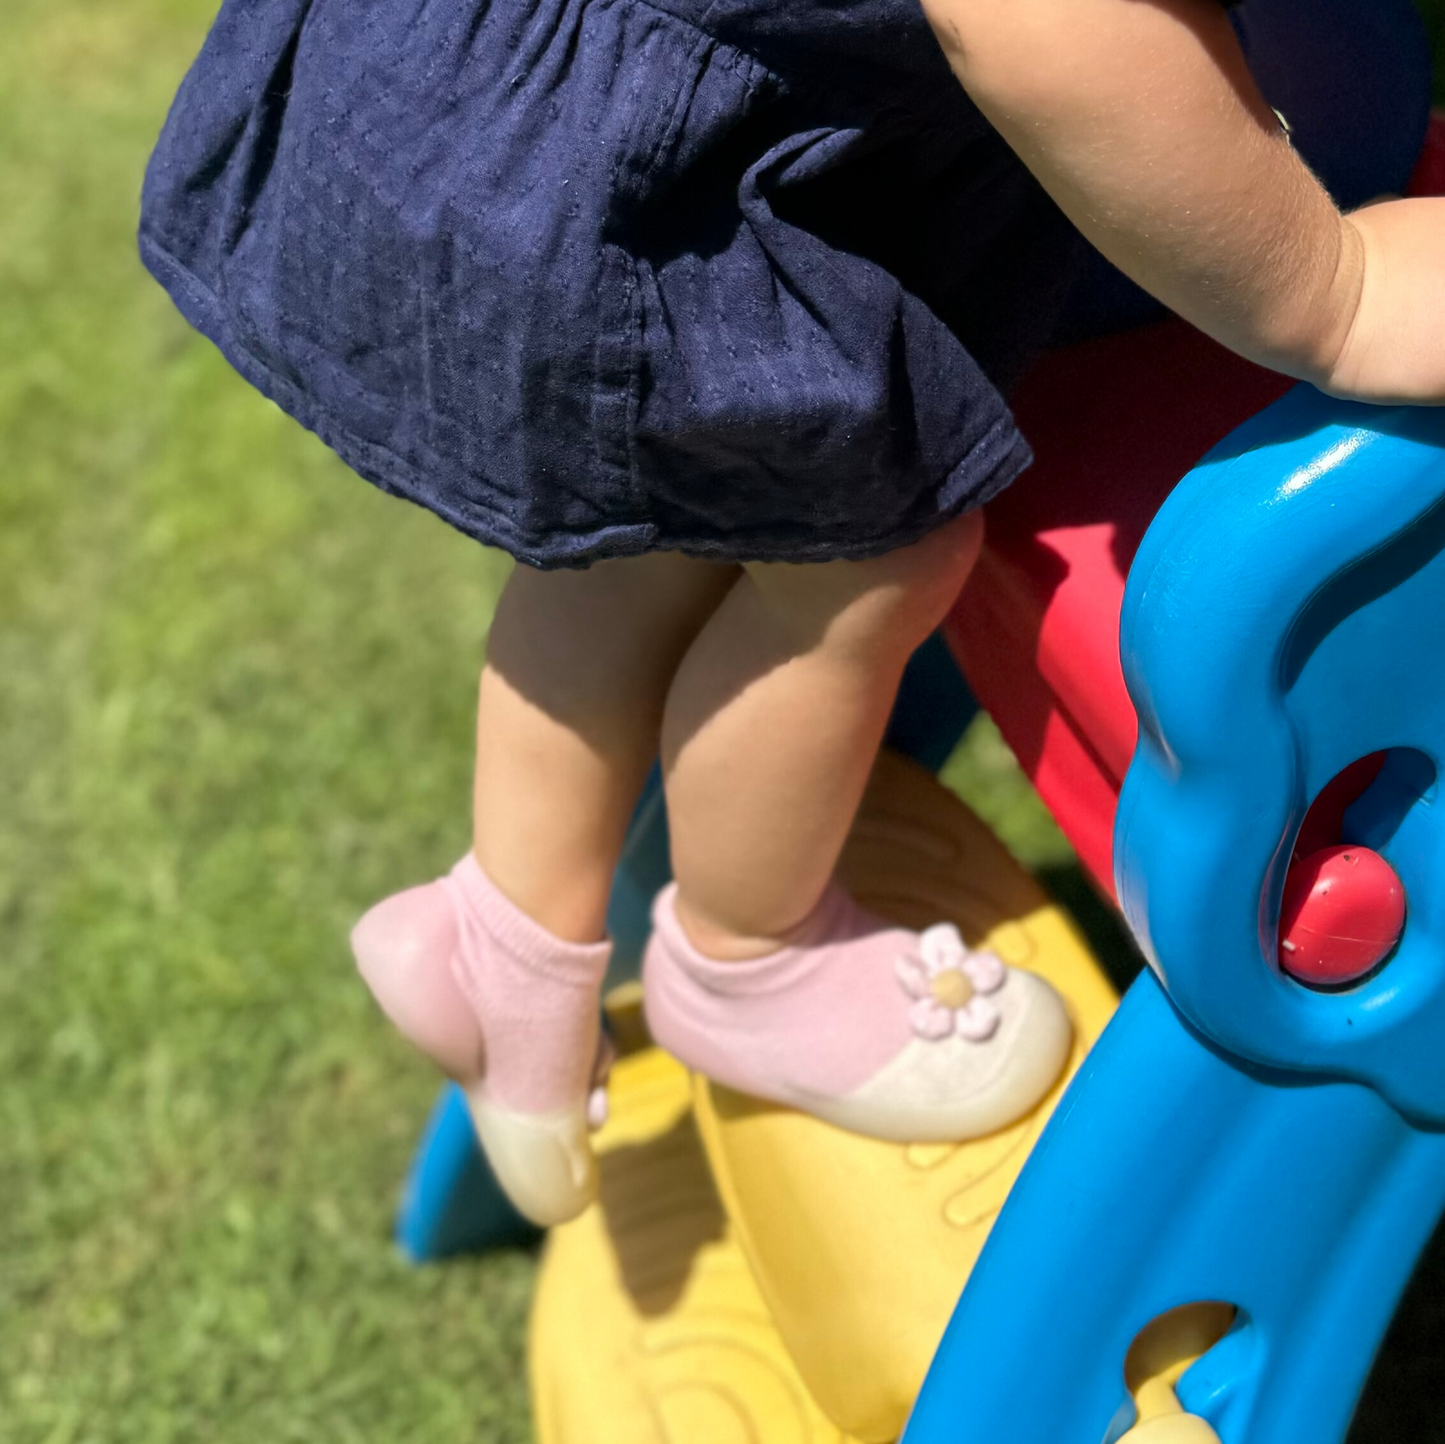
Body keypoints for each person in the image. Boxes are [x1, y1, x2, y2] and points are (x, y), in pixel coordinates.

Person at [139, 0, 1445, 1226]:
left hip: (493, 104)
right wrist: (1330, 285)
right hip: (608, 173)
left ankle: (507, 928)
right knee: (870, 556)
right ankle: (748, 959)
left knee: (658, 516)